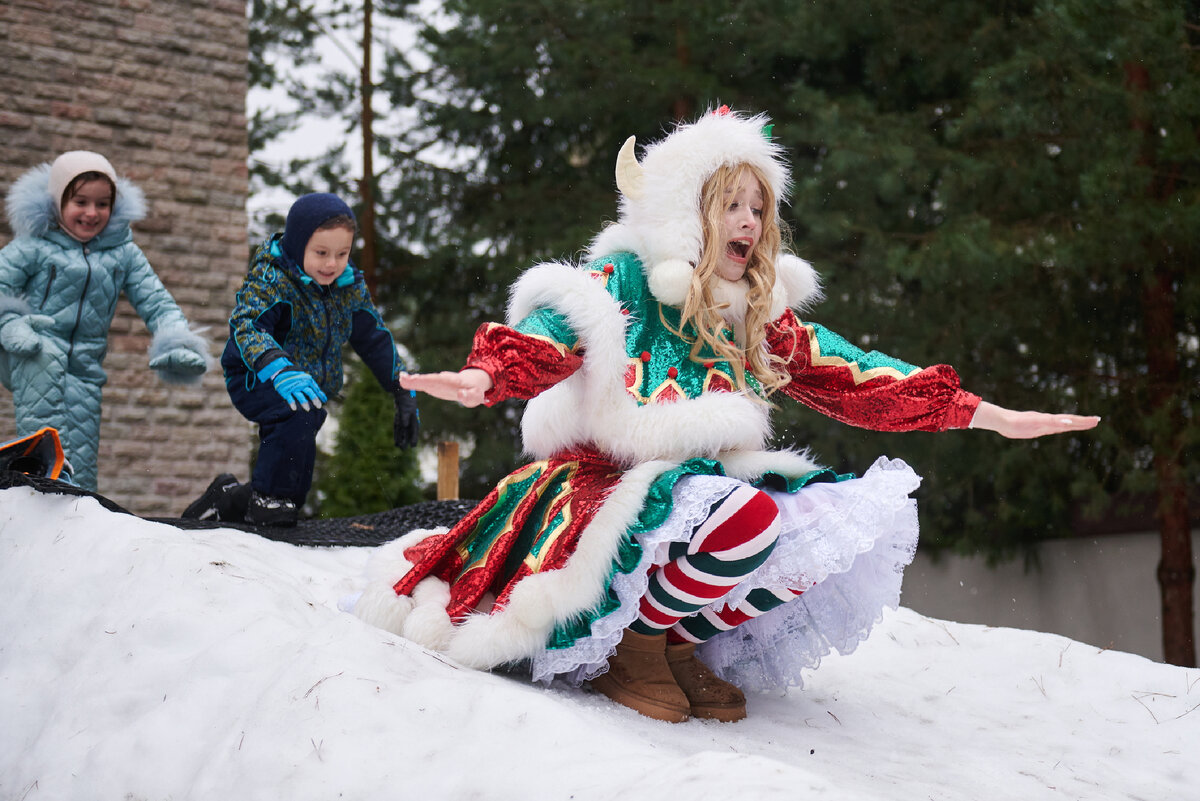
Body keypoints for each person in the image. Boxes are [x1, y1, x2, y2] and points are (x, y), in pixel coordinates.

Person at [348, 109, 1100, 723]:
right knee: (745, 520)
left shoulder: (755, 315)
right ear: (688, 213)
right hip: (608, 483)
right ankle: (635, 648)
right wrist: (488, 373)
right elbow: (554, 333)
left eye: (758, 207)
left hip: (707, 479)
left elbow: (860, 375)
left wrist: (983, 413)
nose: (748, 222)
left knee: (827, 533)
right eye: (730, 204)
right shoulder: (627, 281)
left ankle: (674, 645)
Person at [186, 193, 419, 527]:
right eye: (321, 253)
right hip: (256, 373)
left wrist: (401, 386)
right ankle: (266, 502)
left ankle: (234, 498)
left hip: (307, 382)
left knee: (295, 471)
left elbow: (373, 337)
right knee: (296, 417)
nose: (331, 264)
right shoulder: (273, 277)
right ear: (297, 245)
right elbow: (247, 324)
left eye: (342, 253)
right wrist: (278, 367)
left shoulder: (347, 285)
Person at [0, 151, 208, 491]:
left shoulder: (122, 253)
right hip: (25, 349)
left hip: (84, 369)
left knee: (80, 458)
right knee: (44, 360)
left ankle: (78, 509)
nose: (91, 213)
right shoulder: (33, 247)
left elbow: (156, 300)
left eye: (102, 203)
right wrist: (10, 322)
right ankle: (44, 476)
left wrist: (177, 338)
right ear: (56, 201)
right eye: (80, 201)